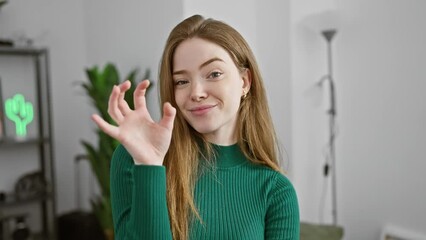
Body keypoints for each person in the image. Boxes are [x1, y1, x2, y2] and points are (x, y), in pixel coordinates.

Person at [92, 14, 300, 240]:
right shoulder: (134, 160)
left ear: (245, 82)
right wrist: (149, 166)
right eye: (182, 81)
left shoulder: (276, 191)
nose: (196, 93)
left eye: (214, 74)